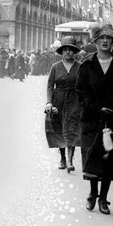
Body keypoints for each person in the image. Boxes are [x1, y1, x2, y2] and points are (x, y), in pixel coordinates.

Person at [75, 24, 113, 215]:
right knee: (92, 157)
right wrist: (96, 108)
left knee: (109, 157)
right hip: (92, 118)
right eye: (101, 39)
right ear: (96, 42)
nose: (105, 41)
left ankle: (103, 198)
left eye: (109, 39)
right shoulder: (86, 65)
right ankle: (92, 192)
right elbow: (81, 93)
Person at [45, 36, 82, 173]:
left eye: (70, 50)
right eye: (65, 50)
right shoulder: (55, 67)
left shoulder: (80, 67)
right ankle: (62, 158)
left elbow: (84, 86)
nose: (68, 52)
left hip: (75, 99)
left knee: (72, 127)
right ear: (61, 51)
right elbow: (50, 86)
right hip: (58, 100)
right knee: (60, 127)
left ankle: (71, 159)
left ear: (74, 52)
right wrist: (49, 102)